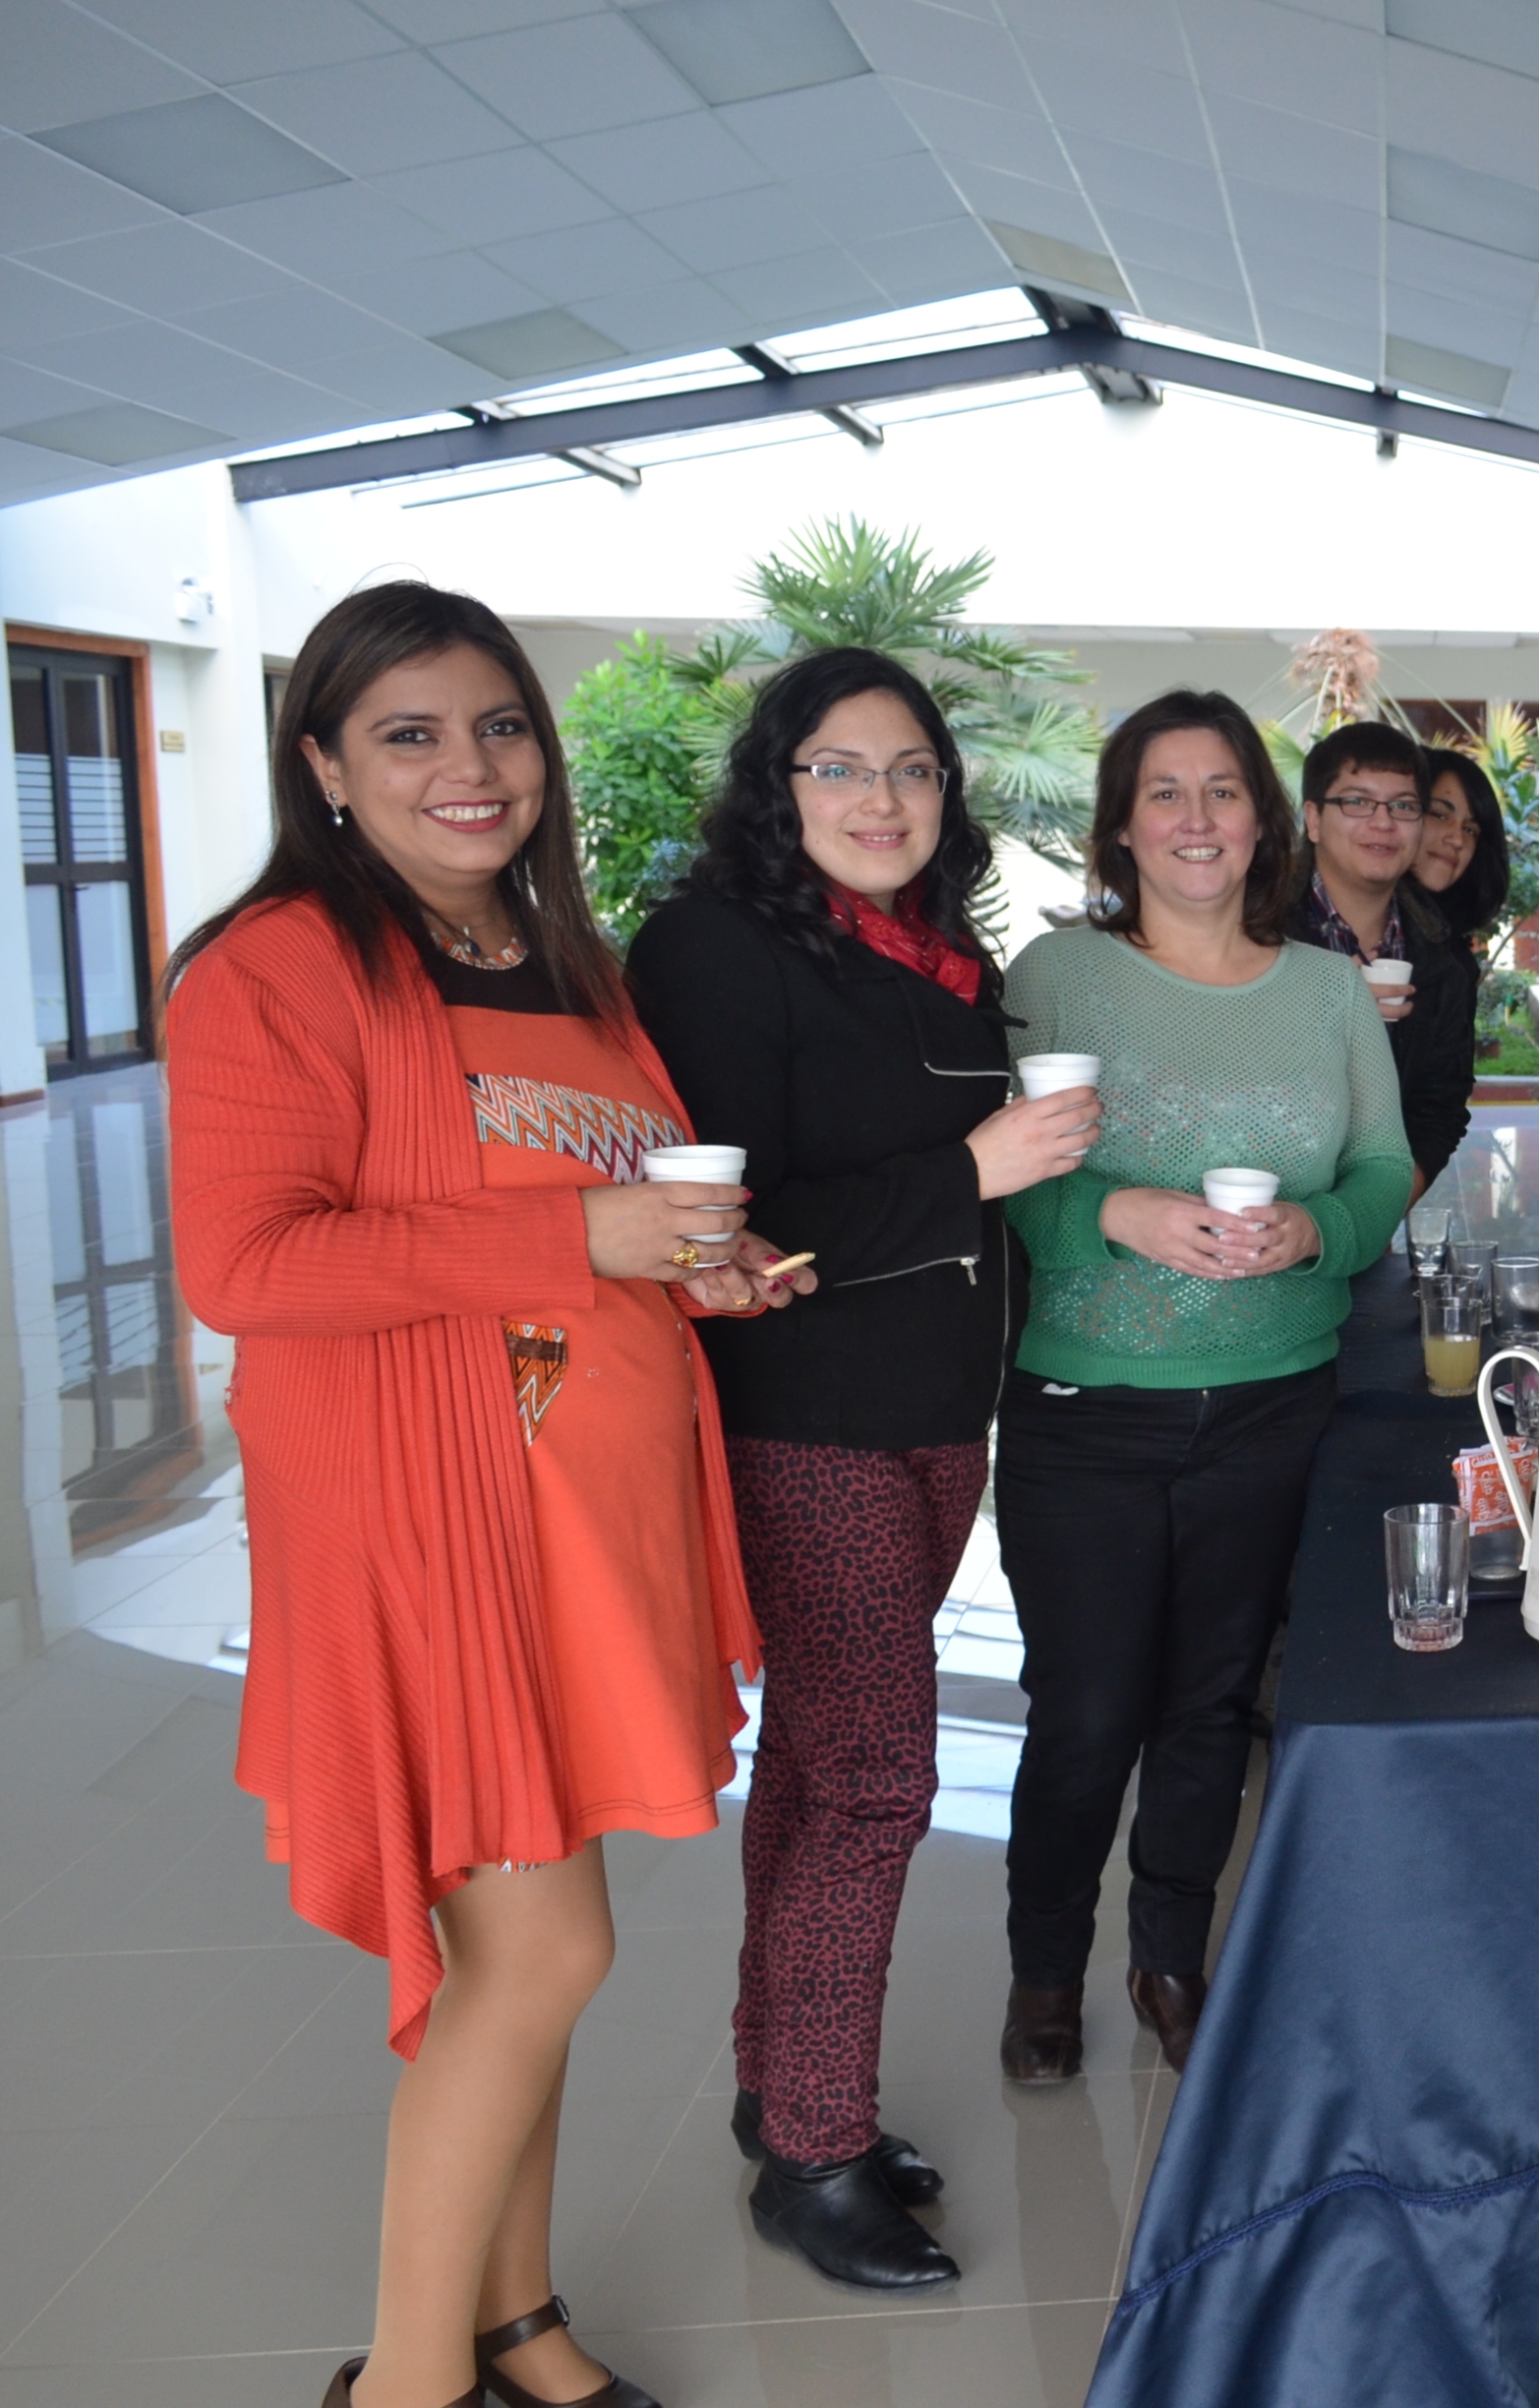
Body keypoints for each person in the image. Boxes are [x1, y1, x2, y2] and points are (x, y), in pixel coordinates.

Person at [166, 582, 806, 2408]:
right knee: (545, 1947)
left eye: (501, 724)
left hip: (576, 1531)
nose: (472, 768)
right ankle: (409, 2386)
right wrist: (575, 1230)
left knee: (517, 1967)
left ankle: (518, 2323)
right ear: (325, 766)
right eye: (411, 733)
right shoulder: (275, 967)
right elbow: (250, 1263)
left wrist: (697, 1263)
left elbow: (613, 1209)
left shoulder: (561, 966)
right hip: (429, 1531)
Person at [627, 648, 1100, 2291]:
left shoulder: (938, 960)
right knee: (883, 1775)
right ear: (779, 785)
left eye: (912, 768)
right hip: (800, 1408)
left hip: (926, 1409)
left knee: (829, 1764)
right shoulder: (712, 947)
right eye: (839, 767)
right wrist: (977, 1164)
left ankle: (787, 2093)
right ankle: (817, 2154)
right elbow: (734, 1224)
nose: (883, 799)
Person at [992, 691, 1415, 2081]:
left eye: (1221, 791)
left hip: (1273, 1396)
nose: (1194, 818)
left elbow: (1379, 1169)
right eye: (1163, 793)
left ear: (1261, 819)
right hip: (1084, 1408)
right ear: (1121, 823)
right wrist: (1114, 1215)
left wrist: (1320, 1233)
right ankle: (1046, 1973)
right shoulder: (1057, 978)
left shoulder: (1328, 988)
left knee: (1212, 1699)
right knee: (1087, 1710)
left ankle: (1170, 1960)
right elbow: (996, 1183)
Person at [1294, 719, 1476, 1191]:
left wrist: (1369, 1219)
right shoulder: (1250, 932)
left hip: (1367, 1223)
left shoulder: (1445, 959)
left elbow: (1438, 1112)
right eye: (1356, 801)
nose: (1383, 822)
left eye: (1404, 806)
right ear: (1313, 819)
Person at [1415, 743, 1514, 954]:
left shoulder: (1449, 947)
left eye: (1470, 830)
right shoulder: (1364, 932)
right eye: (1440, 815)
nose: (1457, 839)